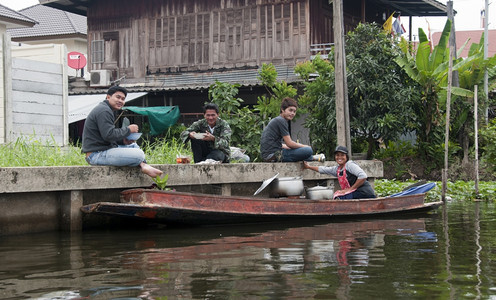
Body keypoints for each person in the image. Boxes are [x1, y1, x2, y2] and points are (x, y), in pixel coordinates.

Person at [82, 86, 163, 178]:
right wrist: (128, 129)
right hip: (96, 155)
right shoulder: (104, 111)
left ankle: (143, 165)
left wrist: (122, 141)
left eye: (123, 99)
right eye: (118, 97)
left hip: (103, 150)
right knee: (139, 155)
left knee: (133, 146)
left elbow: (104, 137)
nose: (120, 101)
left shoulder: (107, 109)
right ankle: (143, 164)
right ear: (108, 97)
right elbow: (108, 135)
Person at [260, 97, 323, 162]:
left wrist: (293, 148)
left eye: (294, 111)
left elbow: (280, 145)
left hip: (269, 156)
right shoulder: (281, 121)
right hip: (274, 155)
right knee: (308, 150)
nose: (292, 113)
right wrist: (305, 146)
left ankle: (312, 158)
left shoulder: (278, 120)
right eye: (290, 110)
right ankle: (312, 157)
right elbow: (289, 143)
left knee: (300, 152)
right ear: (282, 110)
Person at [303, 145, 376, 199]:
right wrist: (309, 167)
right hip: (354, 193)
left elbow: (363, 176)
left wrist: (350, 189)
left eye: (342, 155)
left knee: (340, 197)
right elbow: (324, 169)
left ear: (346, 157)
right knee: (337, 195)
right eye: (337, 155)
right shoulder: (337, 169)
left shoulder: (349, 165)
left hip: (364, 193)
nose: (339, 157)